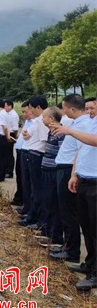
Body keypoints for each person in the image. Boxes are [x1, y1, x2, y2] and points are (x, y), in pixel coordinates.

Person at [49, 94, 93, 264]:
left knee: (70, 213)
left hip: (71, 169)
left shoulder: (84, 125)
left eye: (64, 108)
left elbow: (82, 150)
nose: (63, 111)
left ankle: (72, 250)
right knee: (66, 211)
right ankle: (68, 246)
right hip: (68, 169)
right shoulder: (76, 124)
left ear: (72, 109)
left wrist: (74, 174)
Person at [54, 118, 97, 290]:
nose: (90, 111)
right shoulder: (92, 123)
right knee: (87, 228)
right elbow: (82, 149)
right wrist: (74, 174)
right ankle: (90, 264)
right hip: (84, 180)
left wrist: (70, 131)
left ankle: (96, 274)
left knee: (96, 229)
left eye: (92, 107)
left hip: (95, 183)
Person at [18, 95, 49, 231]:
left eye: (31, 108)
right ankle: (32, 214)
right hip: (32, 153)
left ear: (38, 107)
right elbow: (26, 135)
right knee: (32, 188)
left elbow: (45, 140)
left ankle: (37, 218)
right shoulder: (37, 120)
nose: (30, 111)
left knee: (37, 189)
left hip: (38, 155)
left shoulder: (43, 121)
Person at [38, 107, 65, 249]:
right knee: (47, 202)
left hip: (54, 171)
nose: (42, 119)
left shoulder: (61, 134)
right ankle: (47, 232)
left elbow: (62, 153)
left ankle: (56, 237)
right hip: (46, 170)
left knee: (54, 204)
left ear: (52, 119)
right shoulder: (51, 132)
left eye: (44, 116)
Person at [11, 101, 31, 207]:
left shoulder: (35, 122)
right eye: (22, 112)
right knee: (19, 176)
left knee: (24, 179)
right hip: (20, 151)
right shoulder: (27, 121)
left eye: (26, 112)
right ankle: (19, 197)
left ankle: (23, 200)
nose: (24, 114)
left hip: (26, 152)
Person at [4, 100, 19, 178]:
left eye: (5, 106)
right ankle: (6, 169)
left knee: (9, 153)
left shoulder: (13, 115)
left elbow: (15, 128)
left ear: (10, 106)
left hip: (11, 134)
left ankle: (10, 171)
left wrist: (15, 136)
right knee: (6, 153)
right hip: (8, 133)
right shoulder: (8, 114)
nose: (5, 108)